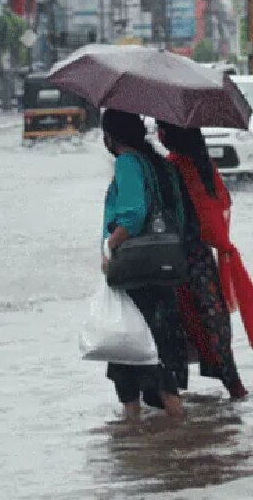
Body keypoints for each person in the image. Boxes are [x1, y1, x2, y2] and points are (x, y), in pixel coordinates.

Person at [157, 122, 253, 400]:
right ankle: (234, 388)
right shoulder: (204, 166)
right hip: (203, 257)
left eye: (161, 128)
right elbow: (220, 206)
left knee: (183, 327)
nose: (158, 133)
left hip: (179, 260)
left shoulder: (173, 167)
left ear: (170, 135)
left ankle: (173, 403)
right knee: (212, 321)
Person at [100, 109, 188, 422]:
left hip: (136, 273)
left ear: (112, 136)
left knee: (128, 352)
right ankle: (178, 431)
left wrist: (109, 245)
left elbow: (133, 215)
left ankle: (131, 434)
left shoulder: (127, 163)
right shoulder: (159, 164)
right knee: (157, 351)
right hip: (163, 269)